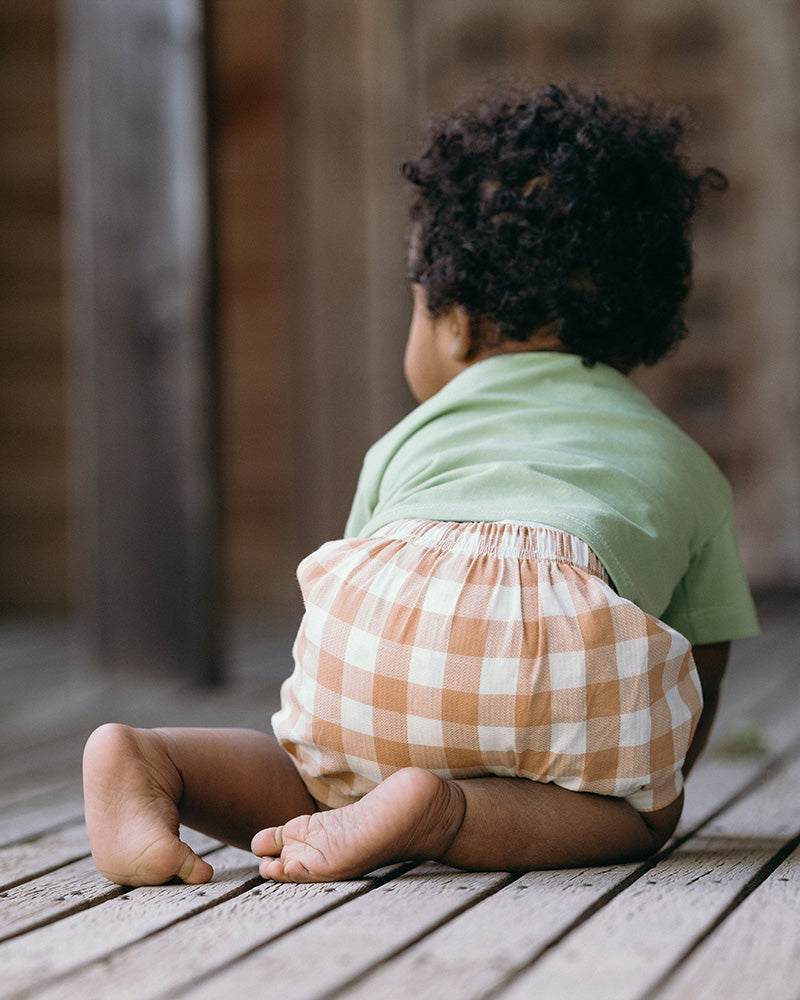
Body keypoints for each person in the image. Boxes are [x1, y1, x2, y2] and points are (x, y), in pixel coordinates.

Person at [83, 84, 759, 888]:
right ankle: (440, 811)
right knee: (644, 811)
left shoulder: (404, 442)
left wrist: (360, 724)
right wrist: (648, 780)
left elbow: (358, 600)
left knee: (319, 779)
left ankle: (155, 760)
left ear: (456, 322)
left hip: (381, 647)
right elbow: (701, 667)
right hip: (557, 657)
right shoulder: (682, 463)